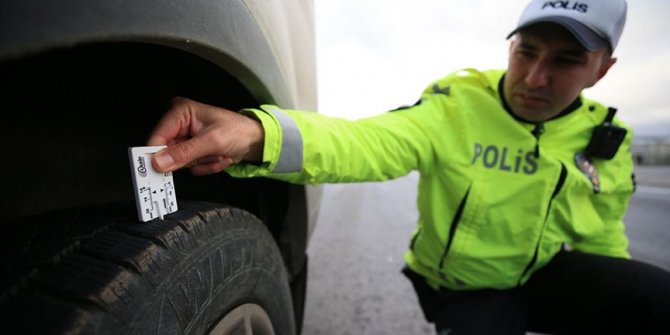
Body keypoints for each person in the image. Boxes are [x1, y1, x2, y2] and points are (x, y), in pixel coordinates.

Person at [147, 0, 670, 333]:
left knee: (649, 296)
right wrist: (259, 134)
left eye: (564, 61)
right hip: (469, 291)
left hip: (543, 276)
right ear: (509, 46)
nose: (534, 77)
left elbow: (602, 238)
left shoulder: (605, 138)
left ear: (603, 69)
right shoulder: (457, 105)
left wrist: (614, 302)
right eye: (526, 52)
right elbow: (370, 141)